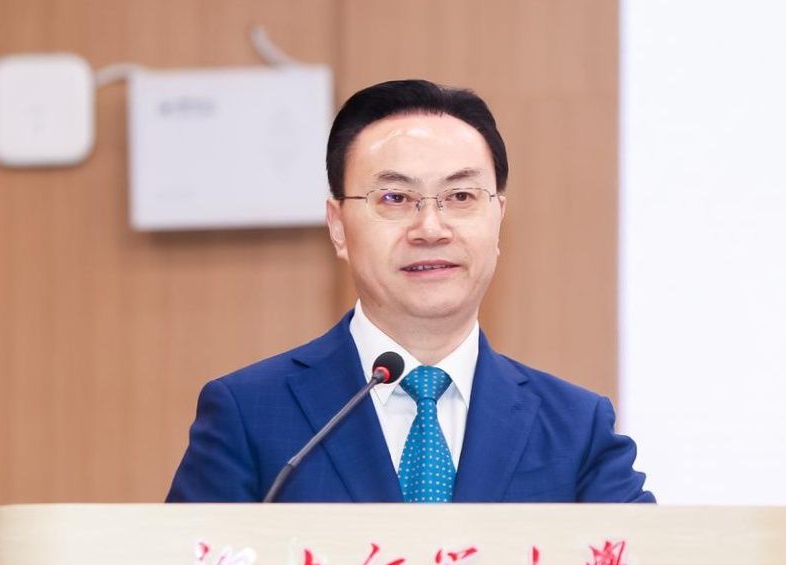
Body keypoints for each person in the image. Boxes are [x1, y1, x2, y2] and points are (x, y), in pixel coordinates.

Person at [167, 79, 654, 504]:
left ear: (498, 218)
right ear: (338, 226)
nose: (431, 229)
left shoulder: (576, 428)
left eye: (460, 196)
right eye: (395, 198)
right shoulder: (249, 414)